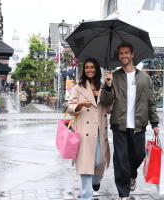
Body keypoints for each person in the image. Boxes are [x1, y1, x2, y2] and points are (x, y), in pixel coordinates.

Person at [100, 42, 160, 200]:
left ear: (132, 55)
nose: (124, 56)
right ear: (118, 56)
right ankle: (123, 194)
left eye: (126, 52)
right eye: (121, 53)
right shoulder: (114, 77)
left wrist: (155, 123)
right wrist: (107, 86)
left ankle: (132, 175)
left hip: (139, 126)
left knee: (139, 155)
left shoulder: (145, 79)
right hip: (119, 125)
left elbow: (151, 102)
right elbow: (105, 102)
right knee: (120, 161)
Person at [67, 58, 111, 200]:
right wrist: (79, 105)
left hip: (99, 131)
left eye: (92, 67)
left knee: (99, 162)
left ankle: (96, 181)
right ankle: (87, 196)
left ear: (97, 69)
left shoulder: (104, 86)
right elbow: (70, 107)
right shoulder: (78, 87)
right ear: (83, 70)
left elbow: (110, 108)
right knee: (86, 164)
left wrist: (107, 90)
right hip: (84, 132)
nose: (89, 70)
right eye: (87, 67)